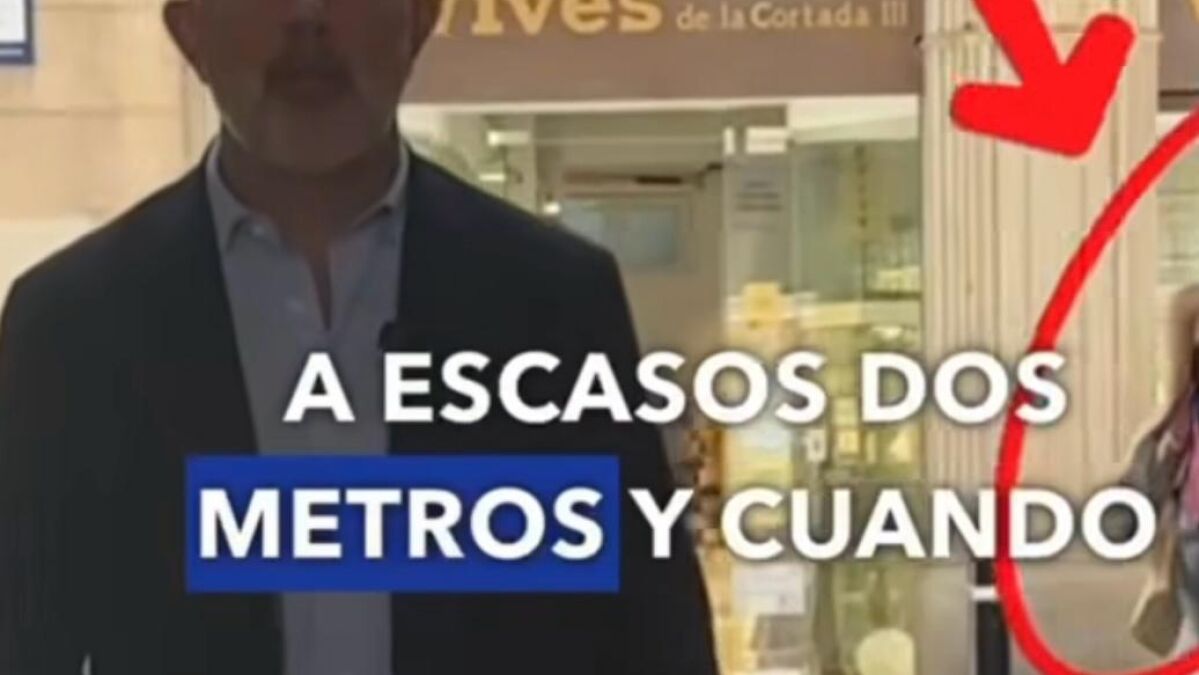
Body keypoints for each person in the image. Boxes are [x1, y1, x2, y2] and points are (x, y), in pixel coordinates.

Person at [0, 0, 718, 673]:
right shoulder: (72, 327)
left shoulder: (555, 301)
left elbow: (652, 637)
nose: (308, 17)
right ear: (190, 30)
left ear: (420, 18)